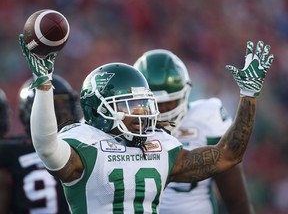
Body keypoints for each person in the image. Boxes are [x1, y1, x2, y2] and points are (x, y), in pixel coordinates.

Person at [18, 33, 274, 214]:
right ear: (100, 109)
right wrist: (43, 86)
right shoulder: (85, 144)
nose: (142, 113)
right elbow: (47, 148)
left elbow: (228, 156)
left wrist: (248, 95)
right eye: (130, 105)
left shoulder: (160, 146)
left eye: (143, 104)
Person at [134, 49, 254, 214]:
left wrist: (249, 95)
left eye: (170, 102)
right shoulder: (123, 128)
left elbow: (235, 198)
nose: (163, 110)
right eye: (156, 103)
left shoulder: (206, 117)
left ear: (185, 93)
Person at [0, 74, 82, 214]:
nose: (61, 113)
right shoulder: (85, 145)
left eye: (64, 105)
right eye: (52, 107)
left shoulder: (10, 151)